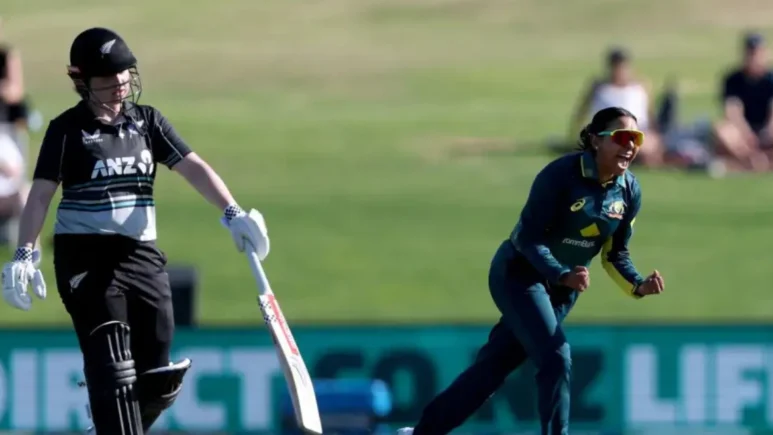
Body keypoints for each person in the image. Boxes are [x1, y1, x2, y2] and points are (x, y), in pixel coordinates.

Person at [0, 27, 270, 435]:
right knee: (113, 364)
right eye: (108, 78)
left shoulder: (148, 122)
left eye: (124, 75)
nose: (119, 85)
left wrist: (233, 213)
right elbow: (39, 196)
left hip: (142, 256)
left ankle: (107, 425)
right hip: (86, 259)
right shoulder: (67, 130)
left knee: (160, 372)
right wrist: (24, 253)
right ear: (82, 81)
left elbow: (193, 167)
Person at [398, 107, 665, 435]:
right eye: (621, 137)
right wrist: (561, 273)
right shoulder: (561, 175)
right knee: (556, 356)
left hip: (562, 291)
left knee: (494, 367)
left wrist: (638, 285)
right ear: (596, 140)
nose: (630, 146)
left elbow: (615, 254)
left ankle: (422, 432)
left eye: (636, 138)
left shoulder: (628, 190)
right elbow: (528, 239)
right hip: (519, 275)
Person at [569, 48, 665, 167]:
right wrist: (575, 136)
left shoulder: (639, 87)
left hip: (638, 132)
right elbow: (581, 112)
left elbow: (650, 115)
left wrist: (655, 135)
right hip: (609, 134)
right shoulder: (599, 87)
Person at [712, 31, 773, 173]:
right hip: (743, 131)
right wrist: (747, 134)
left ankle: (751, 162)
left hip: (767, 128)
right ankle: (754, 159)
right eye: (750, 53)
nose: (754, 57)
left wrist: (768, 131)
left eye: (757, 53)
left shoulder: (770, 80)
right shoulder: (733, 80)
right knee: (721, 130)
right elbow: (733, 111)